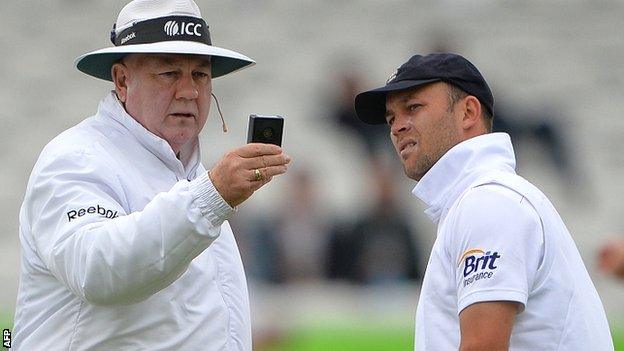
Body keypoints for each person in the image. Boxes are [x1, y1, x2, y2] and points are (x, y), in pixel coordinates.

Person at [12, 0, 290, 349]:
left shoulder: (191, 174)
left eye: (200, 74)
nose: (189, 91)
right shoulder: (76, 158)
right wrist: (211, 196)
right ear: (122, 80)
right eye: (169, 73)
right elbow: (97, 271)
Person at [354, 53, 613, 350]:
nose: (397, 126)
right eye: (391, 118)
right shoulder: (483, 199)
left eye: (413, 107)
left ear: (468, 112)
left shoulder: (487, 202)